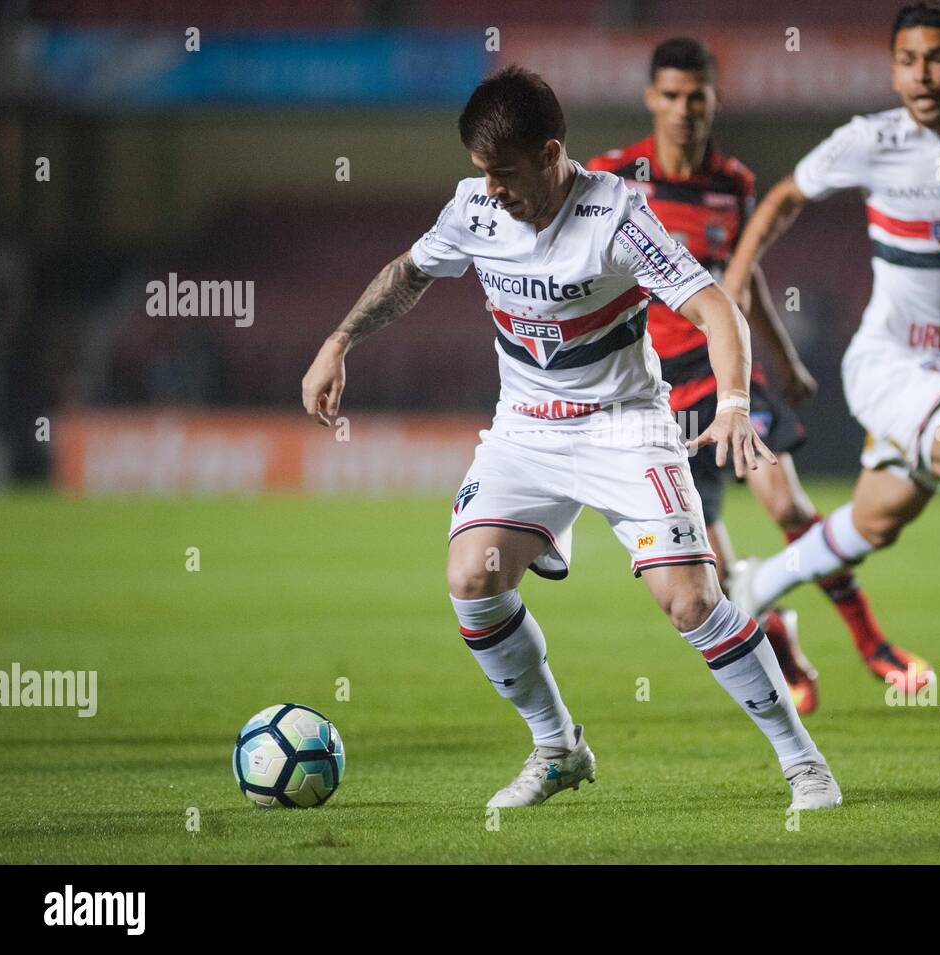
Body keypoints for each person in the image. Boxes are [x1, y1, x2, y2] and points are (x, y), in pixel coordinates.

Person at [301, 66, 841, 809]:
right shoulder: (474, 209)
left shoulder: (616, 218)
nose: (490, 189)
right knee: (472, 579)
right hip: (525, 432)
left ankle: (805, 763)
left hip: (627, 428)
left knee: (689, 599)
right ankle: (558, 747)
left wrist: (737, 402)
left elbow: (719, 309)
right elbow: (409, 272)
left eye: (504, 172)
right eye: (480, 174)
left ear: (551, 153)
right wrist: (339, 340)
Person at [722, 3, 940, 722]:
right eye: (908, 60)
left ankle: (759, 583)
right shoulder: (869, 140)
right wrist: (734, 282)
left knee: (877, 521)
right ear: (893, 71)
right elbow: (785, 196)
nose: (922, 73)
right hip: (886, 366)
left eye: (937, 57)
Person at [586, 38, 932, 715]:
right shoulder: (610, 177)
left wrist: (785, 356)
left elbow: (746, 275)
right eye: (673, 95)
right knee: (708, 573)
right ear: (652, 98)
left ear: (714, 99)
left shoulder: (734, 184)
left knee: (789, 508)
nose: (685, 109)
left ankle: (872, 642)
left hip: (723, 372)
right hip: (653, 394)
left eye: (698, 96)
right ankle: (782, 639)